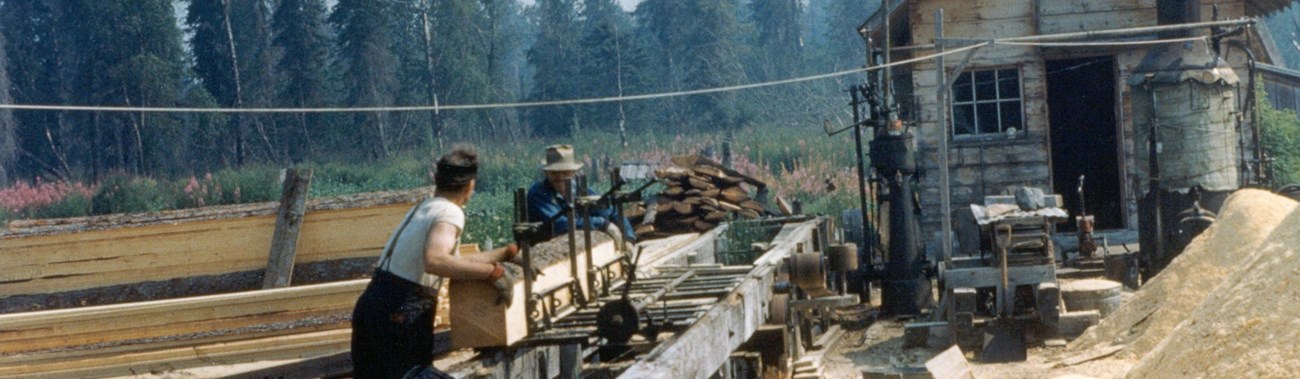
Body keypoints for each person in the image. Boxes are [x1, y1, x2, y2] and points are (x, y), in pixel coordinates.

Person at [351, 145, 519, 378]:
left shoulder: (425, 207)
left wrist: (504, 253)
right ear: (470, 185)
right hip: (401, 311)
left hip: (373, 305)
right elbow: (436, 261)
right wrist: (494, 274)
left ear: (438, 181)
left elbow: (453, 263)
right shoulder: (450, 212)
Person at [526, 144, 634, 247]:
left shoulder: (579, 188)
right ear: (546, 173)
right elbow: (559, 225)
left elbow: (610, 211)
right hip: (548, 247)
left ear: (573, 172)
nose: (560, 177)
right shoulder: (539, 193)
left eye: (565, 172)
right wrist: (602, 224)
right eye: (554, 173)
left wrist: (629, 238)